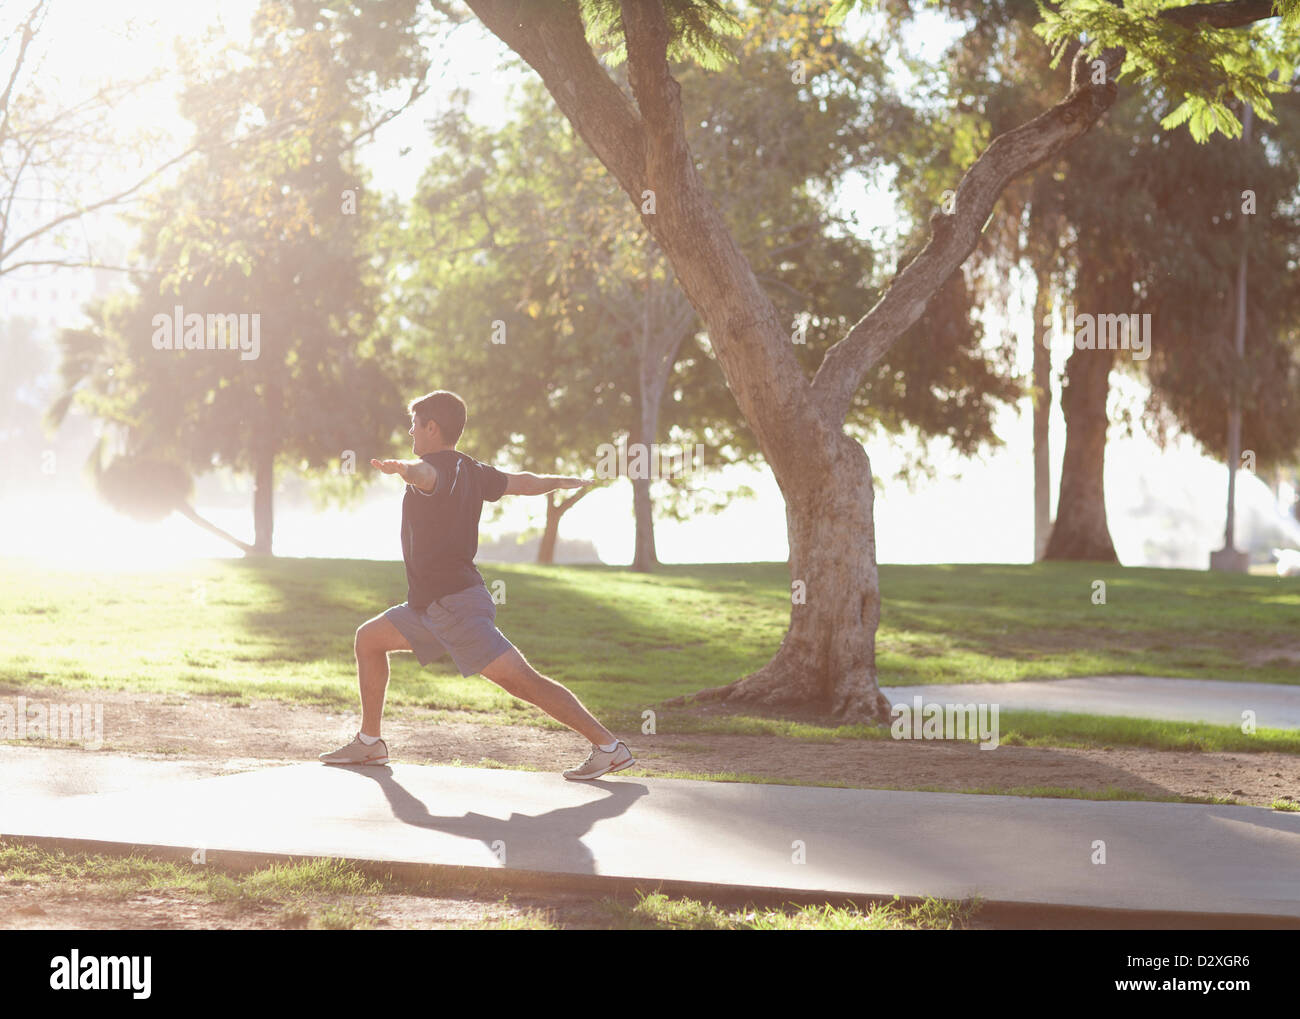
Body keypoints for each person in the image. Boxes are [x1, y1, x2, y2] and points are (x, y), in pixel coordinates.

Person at [319, 390, 635, 780]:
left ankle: (608, 747)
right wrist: (560, 481)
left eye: (415, 424)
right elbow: (522, 482)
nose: (410, 431)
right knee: (369, 639)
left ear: (432, 427)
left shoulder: (434, 469)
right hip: (430, 606)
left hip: (454, 608)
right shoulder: (474, 470)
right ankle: (370, 744)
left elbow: (424, 475)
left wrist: (403, 468)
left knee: (524, 684)